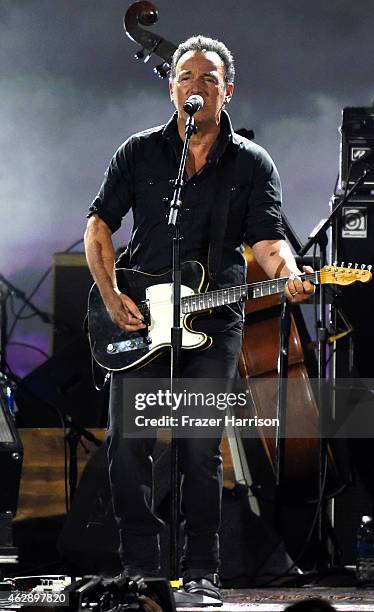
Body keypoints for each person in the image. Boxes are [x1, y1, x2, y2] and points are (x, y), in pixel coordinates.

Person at [84, 35, 314, 601]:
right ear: (171, 89)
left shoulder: (252, 164)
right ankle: (140, 569)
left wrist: (287, 272)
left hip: (212, 322)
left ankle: (202, 571)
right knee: (128, 447)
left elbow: (267, 240)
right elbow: (98, 226)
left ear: (227, 91)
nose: (195, 86)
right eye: (186, 76)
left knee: (198, 448)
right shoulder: (138, 153)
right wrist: (112, 296)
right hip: (137, 317)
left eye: (209, 79)